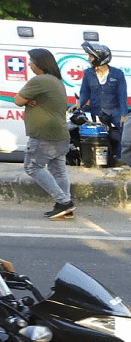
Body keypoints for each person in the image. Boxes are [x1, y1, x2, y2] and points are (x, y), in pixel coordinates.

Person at [14, 48, 75, 219]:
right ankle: (65, 207)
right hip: (60, 133)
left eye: (31, 61)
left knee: (32, 167)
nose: (29, 64)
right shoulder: (56, 81)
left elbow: (18, 100)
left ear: (39, 64)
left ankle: (64, 202)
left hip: (44, 134)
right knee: (59, 171)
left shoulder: (39, 80)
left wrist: (27, 100)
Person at [78, 42, 128, 164]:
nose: (88, 59)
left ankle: (120, 158)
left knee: (125, 131)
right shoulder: (88, 73)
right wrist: (79, 103)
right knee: (95, 135)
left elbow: (122, 95)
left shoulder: (118, 73)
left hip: (114, 110)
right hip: (96, 111)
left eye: (91, 56)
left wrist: (123, 114)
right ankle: (94, 158)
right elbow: (85, 91)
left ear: (99, 57)